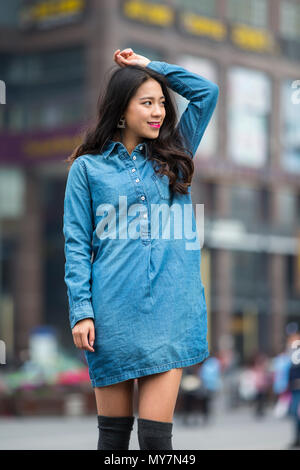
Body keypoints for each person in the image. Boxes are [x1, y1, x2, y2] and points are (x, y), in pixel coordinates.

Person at [63, 48, 219, 450]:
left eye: (162, 103)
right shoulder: (87, 169)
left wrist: (149, 67)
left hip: (170, 312)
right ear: (120, 111)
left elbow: (206, 93)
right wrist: (82, 312)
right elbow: (77, 245)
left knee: (155, 443)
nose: (159, 112)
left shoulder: (175, 154)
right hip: (112, 315)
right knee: (113, 442)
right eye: (147, 103)